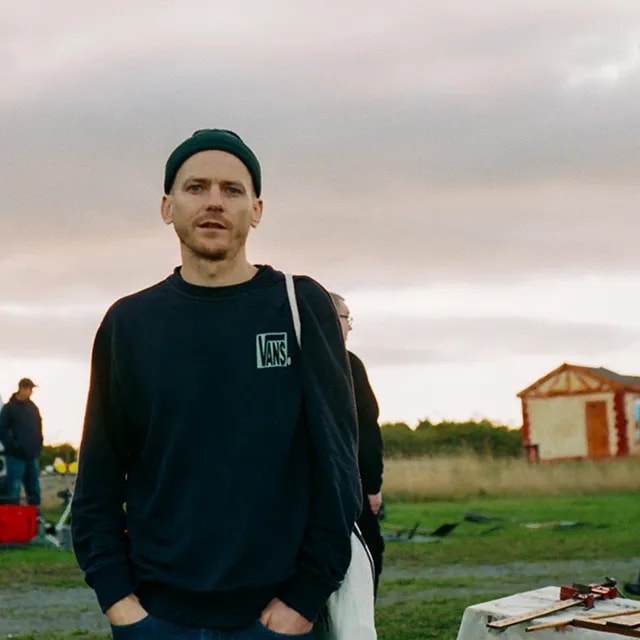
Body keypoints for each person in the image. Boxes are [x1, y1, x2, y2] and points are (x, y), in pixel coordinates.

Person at [71, 129, 362, 640]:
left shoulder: (299, 307)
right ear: (167, 206)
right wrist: (119, 601)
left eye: (232, 190)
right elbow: (97, 477)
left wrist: (303, 600)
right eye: (196, 187)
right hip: (156, 617)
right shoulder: (130, 323)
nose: (213, 202)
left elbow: (338, 469)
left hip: (275, 618)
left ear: (257, 209)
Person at [329, 292, 385, 597]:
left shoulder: (295, 360)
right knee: (367, 553)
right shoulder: (348, 364)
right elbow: (366, 426)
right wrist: (372, 485)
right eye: (346, 318)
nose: (350, 327)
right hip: (351, 484)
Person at [0, 378, 44, 508]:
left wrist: (39, 445)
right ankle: (13, 520)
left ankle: (36, 519)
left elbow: (38, 426)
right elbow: (2, 429)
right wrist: (13, 447)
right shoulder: (9, 408)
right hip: (15, 457)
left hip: (32, 456)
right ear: (22, 388)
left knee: (34, 489)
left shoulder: (33, 408)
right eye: (29, 389)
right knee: (14, 489)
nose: (30, 392)